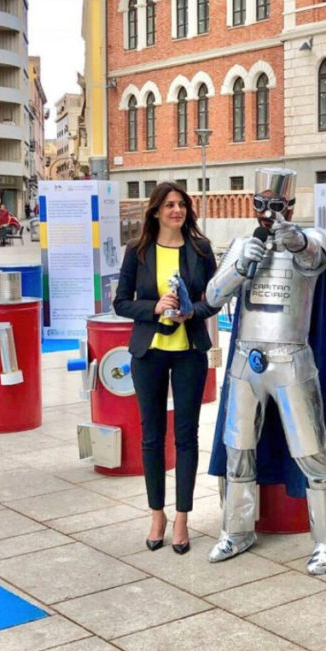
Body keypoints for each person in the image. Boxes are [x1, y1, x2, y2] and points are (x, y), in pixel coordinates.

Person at [205, 167, 326, 575]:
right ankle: (237, 529)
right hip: (245, 358)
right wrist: (239, 267)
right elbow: (212, 295)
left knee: (312, 451)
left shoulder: (310, 239)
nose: (267, 213)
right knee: (238, 448)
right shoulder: (243, 244)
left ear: (290, 207)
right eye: (260, 204)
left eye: (275, 205)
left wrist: (296, 241)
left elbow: (314, 257)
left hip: (292, 359)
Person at [113, 182, 219, 555]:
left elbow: (215, 299)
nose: (177, 210)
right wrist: (154, 307)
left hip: (189, 351)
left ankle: (182, 518)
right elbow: (121, 303)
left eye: (182, 205)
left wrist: (193, 311)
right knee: (152, 436)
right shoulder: (137, 251)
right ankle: (156, 514)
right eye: (170, 205)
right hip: (150, 352)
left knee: (187, 436)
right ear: (156, 211)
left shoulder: (200, 249)